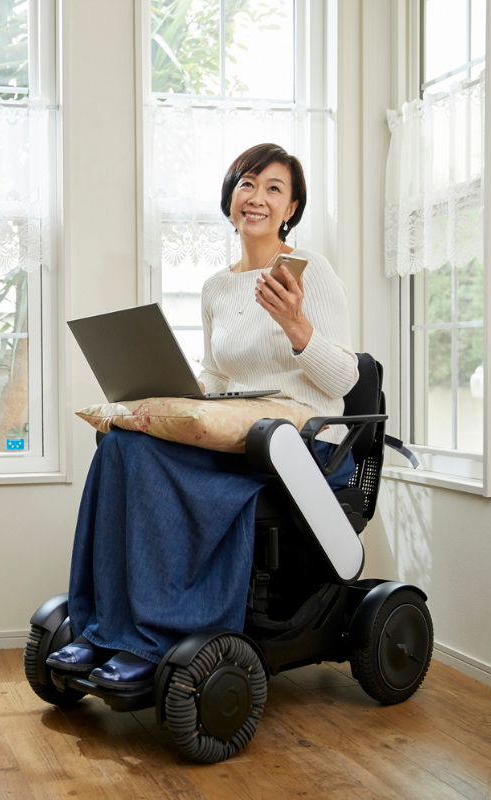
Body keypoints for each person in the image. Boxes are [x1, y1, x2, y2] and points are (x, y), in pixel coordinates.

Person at [48, 143, 360, 690]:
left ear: (291, 208)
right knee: (122, 444)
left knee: (148, 457)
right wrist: (183, 393)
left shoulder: (313, 277)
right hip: (237, 430)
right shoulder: (218, 287)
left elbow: (344, 381)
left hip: (298, 446)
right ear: (230, 197)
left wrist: (296, 326)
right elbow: (219, 377)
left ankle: (157, 636)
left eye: (273, 188)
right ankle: (104, 625)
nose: (256, 198)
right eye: (247, 183)